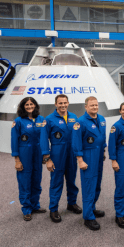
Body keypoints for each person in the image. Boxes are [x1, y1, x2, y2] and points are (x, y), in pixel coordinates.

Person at [41, 94, 82, 223]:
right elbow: (43, 139)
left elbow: (77, 136)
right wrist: (47, 158)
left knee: (71, 181)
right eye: (60, 103)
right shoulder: (49, 119)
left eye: (65, 103)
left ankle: (72, 203)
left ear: (68, 103)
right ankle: (53, 209)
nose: (63, 105)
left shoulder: (73, 117)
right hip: (57, 154)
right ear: (56, 104)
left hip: (71, 154)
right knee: (56, 182)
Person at [72, 96, 107, 231]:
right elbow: (76, 143)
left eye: (96, 105)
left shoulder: (102, 120)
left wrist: (103, 152)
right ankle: (88, 217)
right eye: (92, 105)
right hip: (87, 156)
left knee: (97, 184)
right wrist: (80, 160)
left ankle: (92, 208)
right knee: (88, 186)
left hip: (98, 155)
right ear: (86, 106)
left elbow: (102, 138)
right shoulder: (79, 122)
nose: (95, 107)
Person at [11, 97, 46, 221]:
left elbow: (44, 138)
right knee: (25, 181)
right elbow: (14, 141)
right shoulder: (18, 121)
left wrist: (44, 155)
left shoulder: (41, 119)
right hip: (24, 152)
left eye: (32, 104)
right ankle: (26, 208)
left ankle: (35, 205)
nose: (29, 106)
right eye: (27, 104)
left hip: (37, 152)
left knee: (36, 180)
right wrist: (17, 160)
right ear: (23, 106)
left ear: (35, 106)